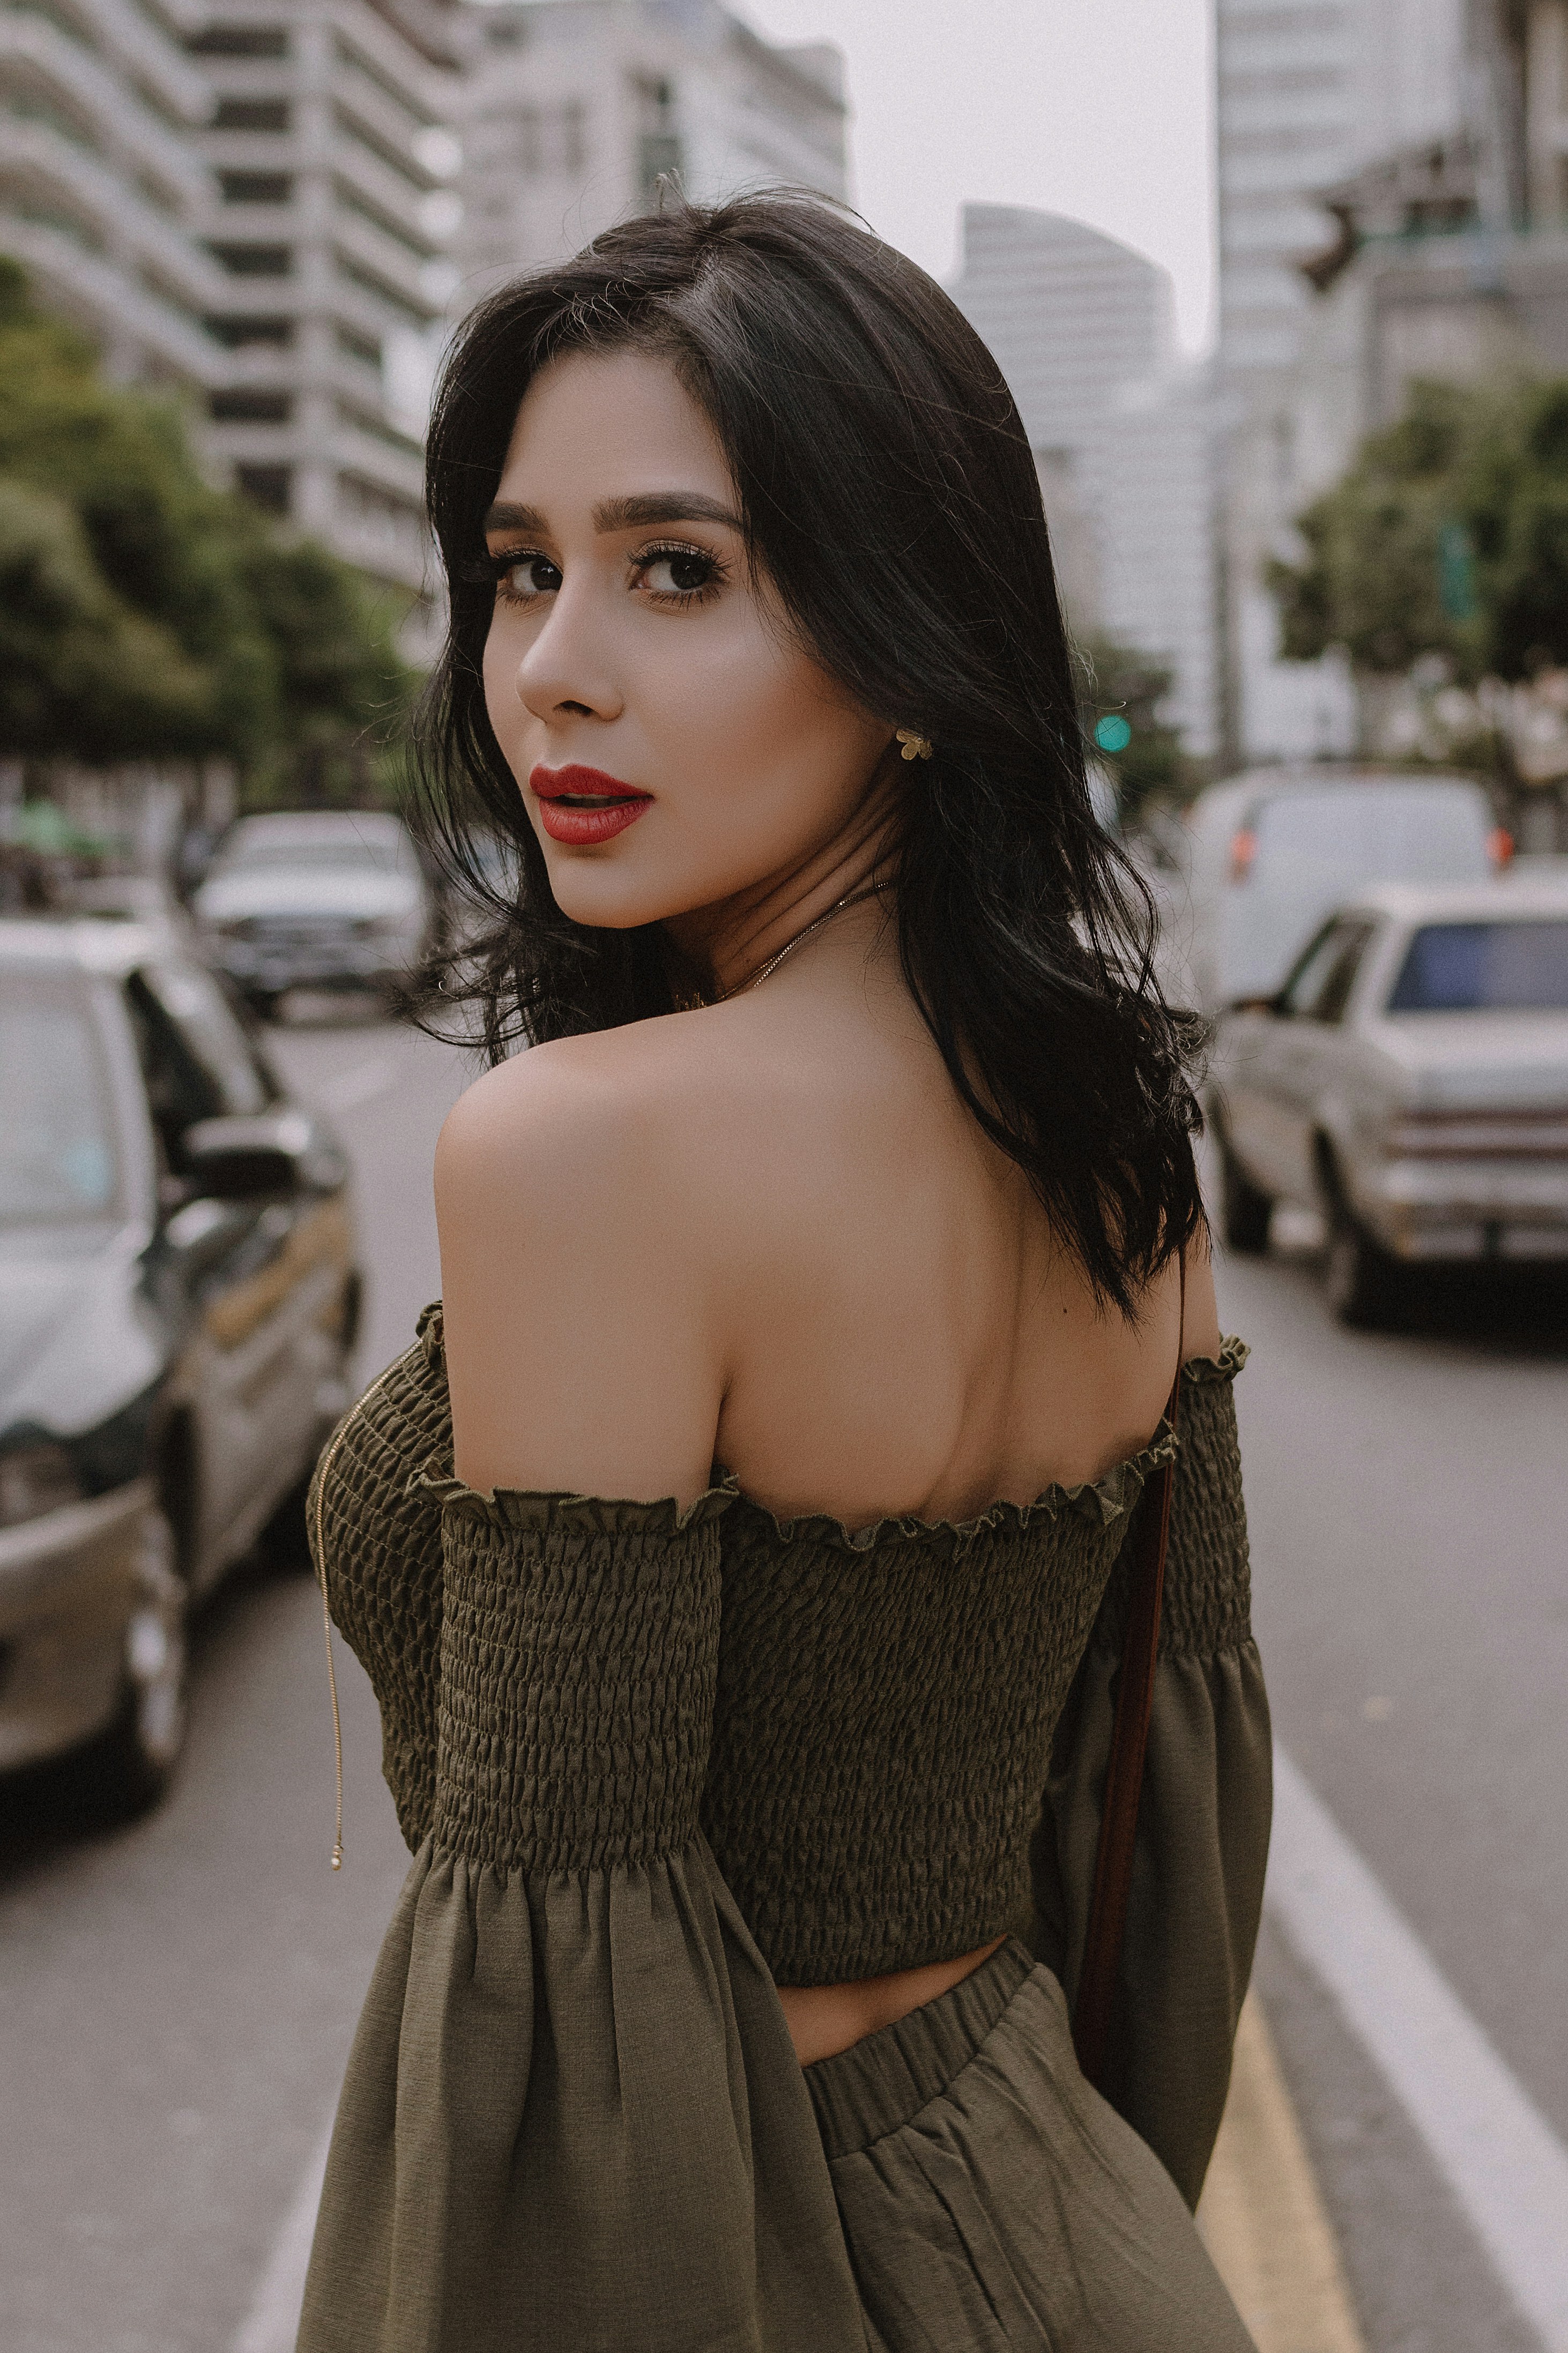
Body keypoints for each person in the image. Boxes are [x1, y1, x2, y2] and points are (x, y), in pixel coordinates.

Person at [300, 193, 1270, 2352]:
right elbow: (1158, 1844)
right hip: (1081, 2231)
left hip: (759, 2267)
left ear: (912, 644)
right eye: (520, 570)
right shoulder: (1125, 1138)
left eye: (679, 569)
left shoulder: (588, 1154)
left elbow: (563, 2045)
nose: (554, 661)